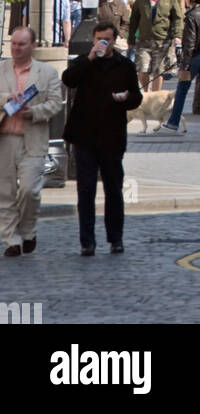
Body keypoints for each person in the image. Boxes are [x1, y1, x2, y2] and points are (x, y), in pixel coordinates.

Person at [62, 21, 143, 256]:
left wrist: (126, 98)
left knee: (114, 189)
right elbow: (69, 79)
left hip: (112, 136)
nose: (102, 43)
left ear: (114, 40)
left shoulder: (124, 65)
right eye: (99, 39)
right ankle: (87, 241)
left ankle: (115, 238)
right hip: (84, 135)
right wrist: (89, 58)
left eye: (107, 39)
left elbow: (136, 97)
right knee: (86, 190)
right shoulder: (84, 61)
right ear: (94, 39)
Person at [0, 28, 63, 257]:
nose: (16, 48)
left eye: (22, 44)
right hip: (5, 138)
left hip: (33, 138)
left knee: (29, 190)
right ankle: (11, 240)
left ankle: (28, 231)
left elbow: (56, 103)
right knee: (5, 192)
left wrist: (33, 111)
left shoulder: (47, 72)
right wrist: (6, 99)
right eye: (14, 44)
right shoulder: (1, 70)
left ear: (33, 45)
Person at [160, 0, 200, 134]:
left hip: (195, 58)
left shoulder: (192, 15)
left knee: (181, 90)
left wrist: (185, 64)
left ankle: (173, 123)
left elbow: (190, 42)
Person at [128, 0, 183, 93]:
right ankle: (146, 95)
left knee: (158, 71)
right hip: (144, 39)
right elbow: (134, 19)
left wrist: (177, 35)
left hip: (162, 39)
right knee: (142, 68)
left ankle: (155, 96)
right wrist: (131, 39)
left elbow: (177, 17)